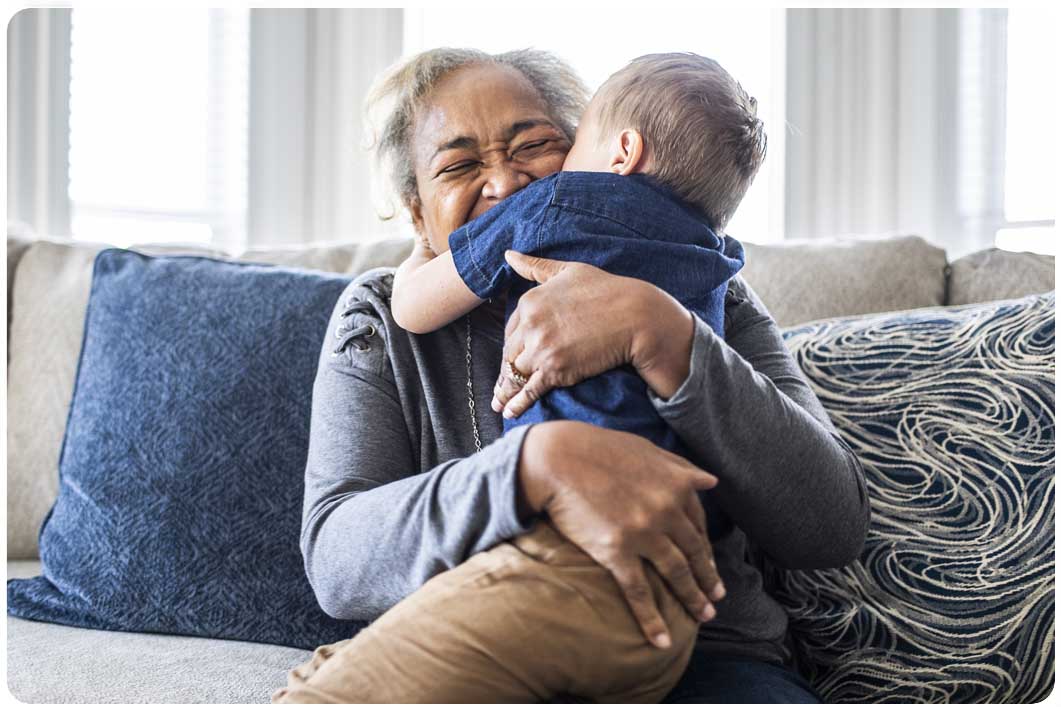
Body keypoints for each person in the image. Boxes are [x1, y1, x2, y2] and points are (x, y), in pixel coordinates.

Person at [273, 47, 869, 704]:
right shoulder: (381, 317)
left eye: (534, 146)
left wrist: (664, 335)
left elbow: (830, 525)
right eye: (460, 165)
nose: (505, 184)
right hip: (485, 644)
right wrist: (531, 467)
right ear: (417, 211)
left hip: (708, 653)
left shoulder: (709, 291)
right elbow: (337, 558)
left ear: (595, 155)